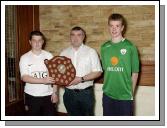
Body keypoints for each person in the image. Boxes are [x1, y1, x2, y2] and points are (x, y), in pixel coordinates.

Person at [100, 13, 139, 116]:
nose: (114, 29)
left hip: (125, 96)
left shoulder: (130, 47)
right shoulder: (104, 47)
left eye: (117, 26)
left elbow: (135, 73)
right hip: (108, 95)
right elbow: (106, 70)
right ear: (108, 27)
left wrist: (131, 93)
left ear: (122, 28)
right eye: (111, 26)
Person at [60, 26, 102, 116]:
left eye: (79, 35)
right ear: (70, 37)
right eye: (73, 35)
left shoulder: (91, 52)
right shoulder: (63, 53)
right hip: (68, 94)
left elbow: (98, 71)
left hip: (85, 94)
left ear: (83, 37)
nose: (75, 38)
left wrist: (80, 79)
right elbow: (60, 73)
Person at [19, 31, 58, 116]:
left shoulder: (49, 56)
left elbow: (55, 76)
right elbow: (24, 77)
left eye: (39, 40)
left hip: (48, 95)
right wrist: (43, 80)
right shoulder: (24, 58)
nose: (37, 43)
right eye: (34, 40)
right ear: (30, 42)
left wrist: (55, 93)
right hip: (32, 96)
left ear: (43, 42)